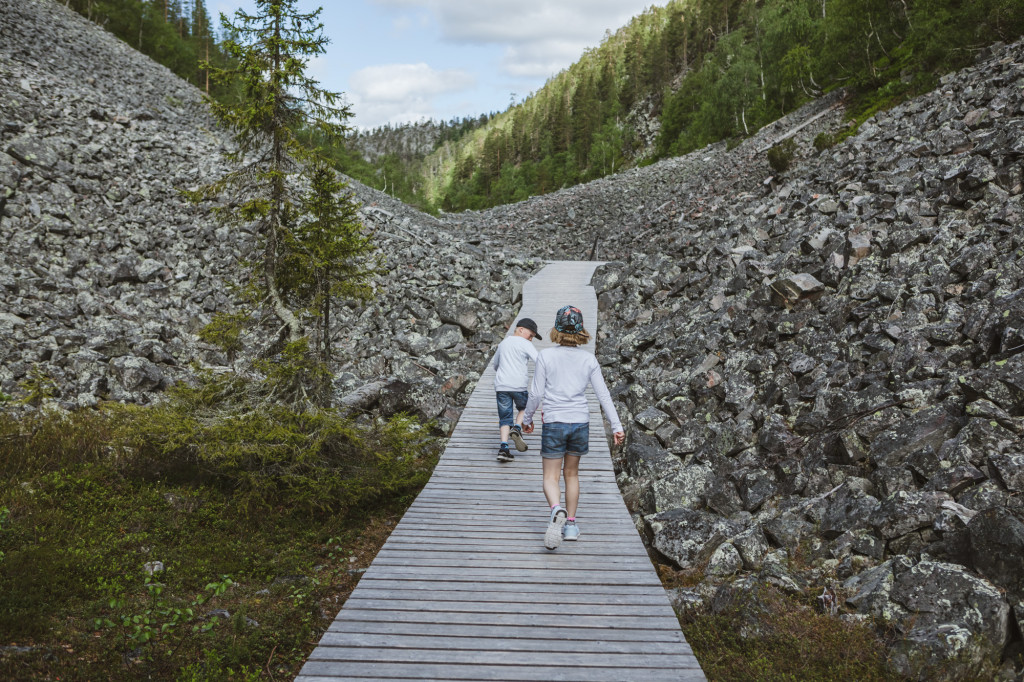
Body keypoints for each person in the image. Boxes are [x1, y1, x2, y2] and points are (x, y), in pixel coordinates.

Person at [522, 305, 625, 550]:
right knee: (572, 475)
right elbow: (603, 395)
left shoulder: (546, 356)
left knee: (550, 476)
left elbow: (536, 393)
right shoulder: (589, 359)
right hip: (580, 422)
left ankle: (556, 509)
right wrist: (616, 426)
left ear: (557, 328)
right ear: (581, 330)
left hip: (555, 421)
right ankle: (570, 525)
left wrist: (526, 419)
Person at [492, 318, 541, 462]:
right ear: (521, 329)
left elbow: (495, 364)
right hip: (518, 385)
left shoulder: (503, 343)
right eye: (531, 335)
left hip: (501, 386)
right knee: (525, 407)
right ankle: (517, 428)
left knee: (504, 418)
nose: (531, 339)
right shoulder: (525, 343)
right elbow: (539, 360)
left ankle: (504, 448)